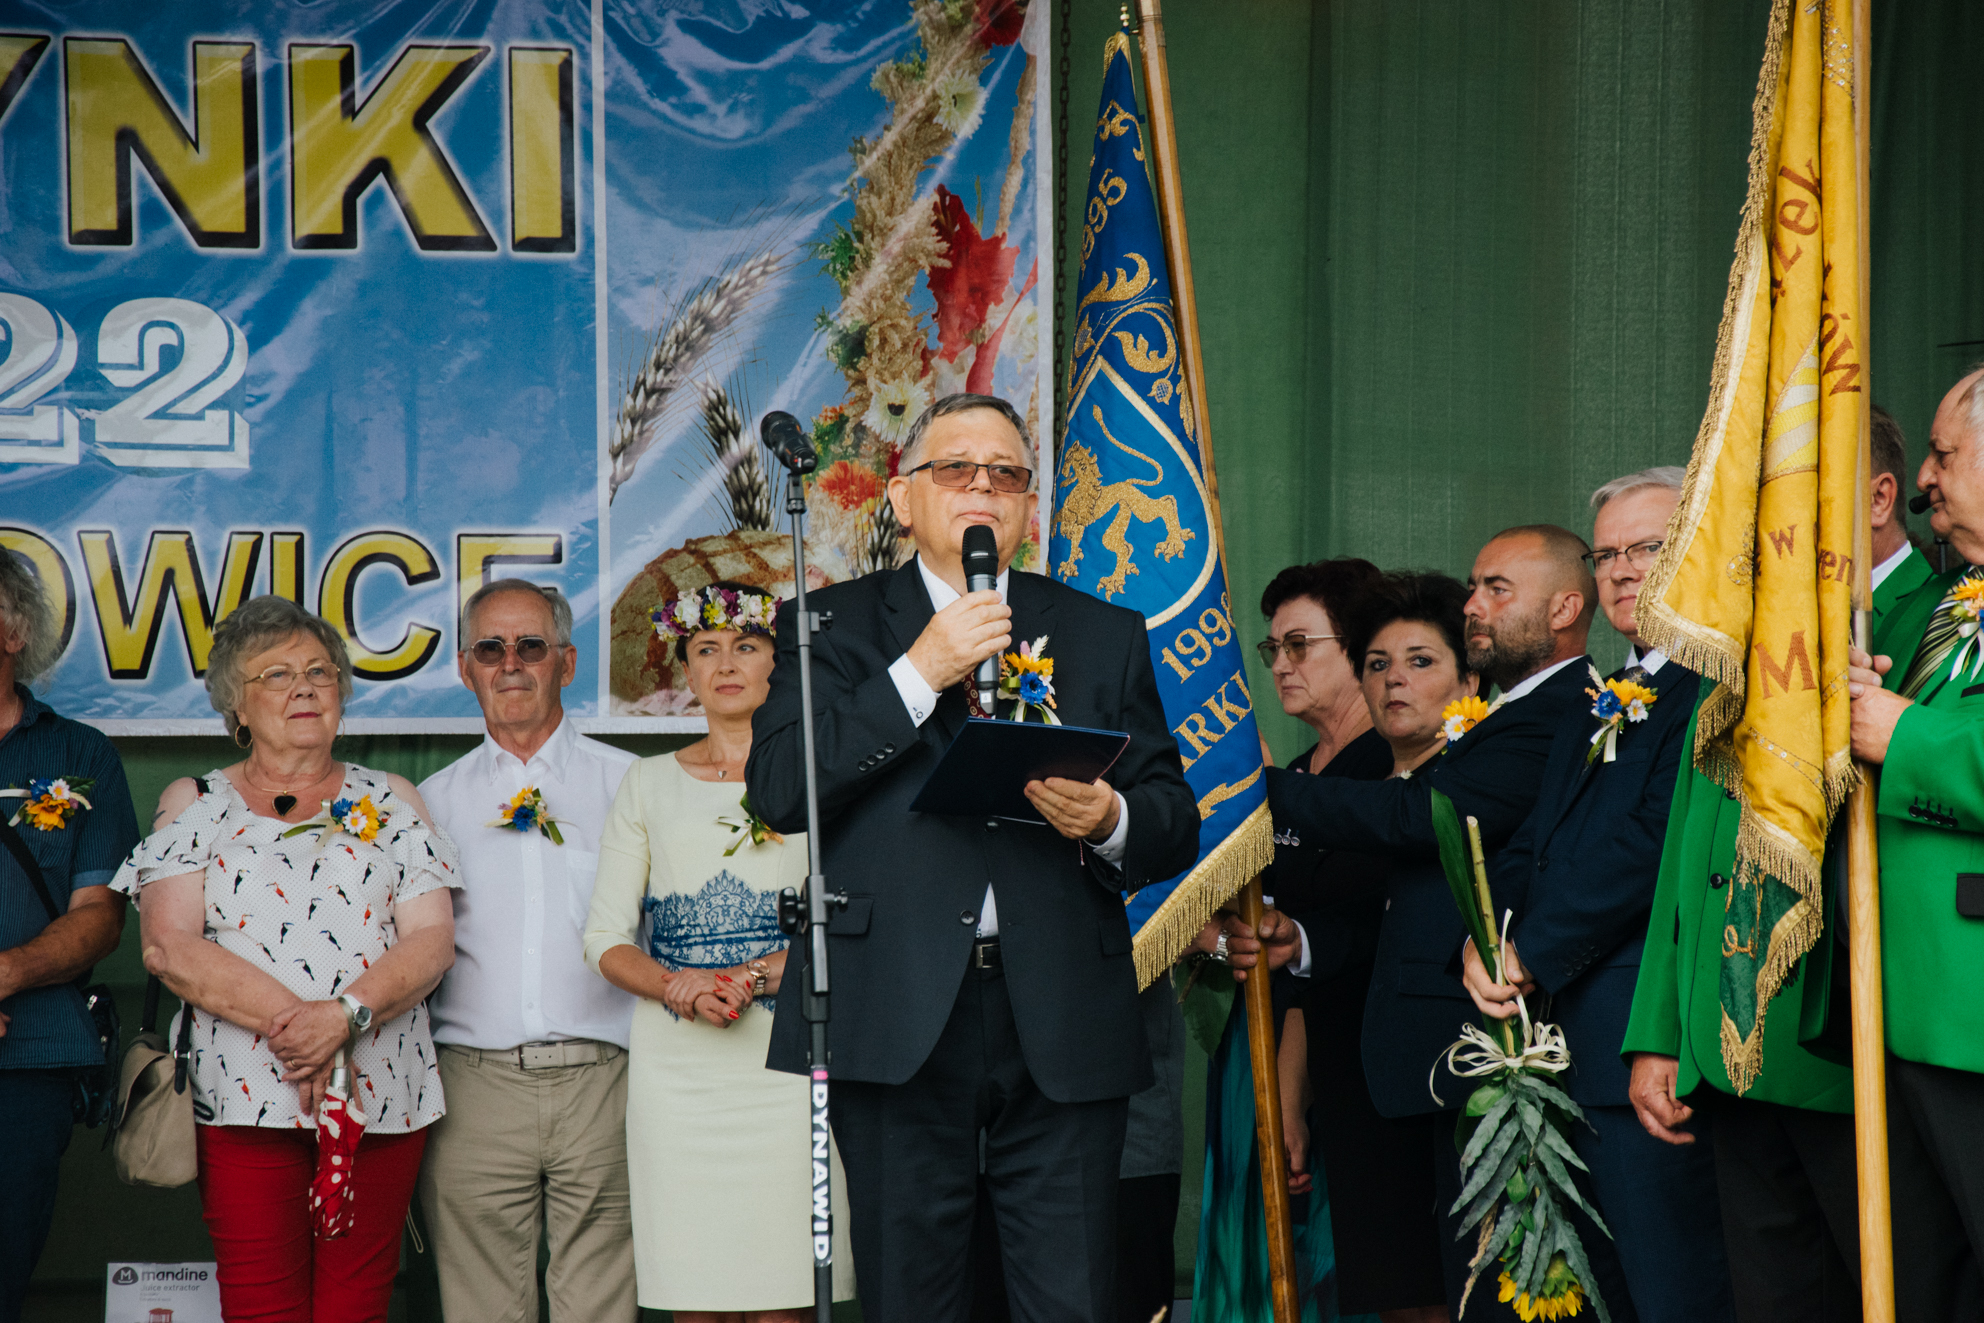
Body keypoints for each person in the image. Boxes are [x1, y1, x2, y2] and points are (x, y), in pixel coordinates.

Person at [745, 392, 1199, 1323]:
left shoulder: (1098, 629)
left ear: (1031, 507)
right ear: (904, 499)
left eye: (1005, 473)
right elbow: (779, 790)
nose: (981, 486)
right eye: (956, 469)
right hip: (895, 1007)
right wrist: (920, 671)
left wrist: (1109, 813)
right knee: (912, 1298)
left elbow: (1172, 816)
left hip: (1061, 1011)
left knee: (1071, 1296)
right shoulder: (826, 625)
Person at [1232, 526, 1598, 1319]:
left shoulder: (1556, 715)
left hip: (1474, 1053)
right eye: (1378, 665)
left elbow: (1419, 818)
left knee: (1475, 1290)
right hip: (1392, 1065)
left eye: (1496, 588)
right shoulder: (1501, 727)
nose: (1476, 604)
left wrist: (1249, 784)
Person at [1622, 410, 1931, 1323]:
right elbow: (1690, 852)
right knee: (1773, 1301)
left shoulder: (1941, 619)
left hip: (1850, 1046)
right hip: (1728, 1036)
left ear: (1880, 498)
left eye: (1792, 501)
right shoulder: (1746, 641)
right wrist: (1660, 1027)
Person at [111, 596, 460, 1323]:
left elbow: (431, 941)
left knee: (353, 1308)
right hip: (243, 1104)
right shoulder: (196, 801)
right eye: (276, 674)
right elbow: (168, 946)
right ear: (236, 705)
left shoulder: (391, 798)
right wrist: (304, 1029)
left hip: (376, 1101)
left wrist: (344, 1016)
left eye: (319, 671)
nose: (303, 686)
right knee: (261, 1306)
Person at [1459, 468, 1735, 1323]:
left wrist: (1530, 952)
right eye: (1606, 552)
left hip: (1644, 1054)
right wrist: (1482, 934)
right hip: (1557, 1050)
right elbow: (1536, 848)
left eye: (1645, 546)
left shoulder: (1717, 683)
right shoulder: (1594, 698)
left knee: (1674, 1293)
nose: (1619, 569)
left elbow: (1649, 846)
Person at [585, 580, 853, 1318]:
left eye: (747, 644)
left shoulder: (820, 778)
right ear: (686, 671)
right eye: (706, 648)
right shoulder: (645, 784)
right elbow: (604, 939)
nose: (726, 662)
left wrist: (760, 972)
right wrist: (680, 984)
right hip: (680, 1082)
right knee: (693, 1296)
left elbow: (859, 919)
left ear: (779, 662)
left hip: (791, 1067)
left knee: (786, 1298)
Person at [1200, 564, 1452, 1323]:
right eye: (1271, 647)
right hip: (1304, 1061)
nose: (1281, 664)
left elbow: (1386, 921)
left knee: (1399, 1287)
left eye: (1300, 644)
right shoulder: (1302, 769)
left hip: (1386, 1073)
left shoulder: (1392, 769)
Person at [415, 579, 638, 1322]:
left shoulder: (629, 785)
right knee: (480, 1309)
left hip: (606, 1080)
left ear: (567, 664)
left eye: (530, 646)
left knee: (603, 1306)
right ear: (465, 667)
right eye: (490, 647)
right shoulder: (431, 801)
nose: (511, 663)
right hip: (473, 1089)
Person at [1844, 367, 1984, 1321]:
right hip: (1918, 1008)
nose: (1926, 478)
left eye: (1945, 452)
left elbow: (1928, 744)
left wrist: (1907, 734)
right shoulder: (1960, 598)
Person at [0, 551, 138, 1323]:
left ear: (14, 630)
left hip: (31, 1064)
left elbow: (101, 917)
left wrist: (9, 971)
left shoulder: (80, 755)